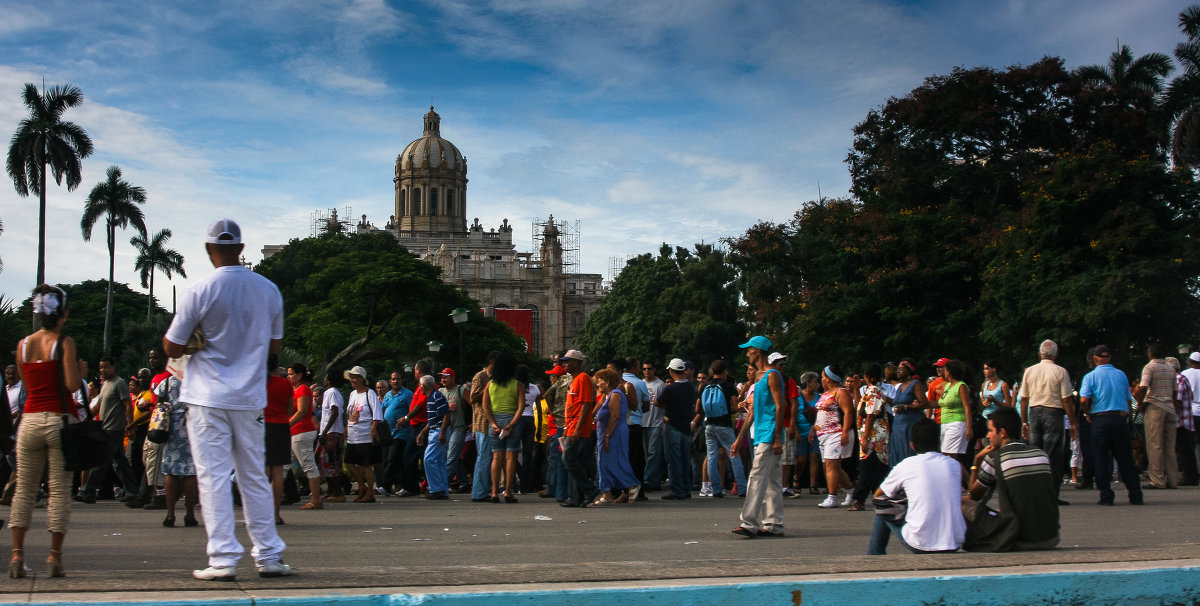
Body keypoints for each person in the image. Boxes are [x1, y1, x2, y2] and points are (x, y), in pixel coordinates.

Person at [162, 218, 290, 580]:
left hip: (205, 397)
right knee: (253, 476)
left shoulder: (198, 291)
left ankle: (223, 559)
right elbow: (275, 347)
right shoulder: (268, 290)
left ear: (208, 250)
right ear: (242, 249)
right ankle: (268, 556)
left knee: (213, 477)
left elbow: (171, 345)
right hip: (249, 397)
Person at [10, 285, 79, 578]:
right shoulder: (64, 343)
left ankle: (17, 555)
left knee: (24, 490)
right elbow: (72, 385)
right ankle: (54, 557)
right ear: (62, 314)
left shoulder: (23, 346)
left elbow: (28, 383)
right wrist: (79, 368)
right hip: (58, 421)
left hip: (29, 422)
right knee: (59, 492)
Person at [964, 407, 1060, 550]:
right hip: (1050, 537)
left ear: (1002, 432)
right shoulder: (1041, 454)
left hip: (1018, 538)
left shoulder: (995, 458)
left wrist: (977, 461)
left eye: (990, 430)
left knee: (961, 502)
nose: (988, 436)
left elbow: (973, 496)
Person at [867, 417, 965, 555]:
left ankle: (874, 556)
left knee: (882, 505)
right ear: (939, 442)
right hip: (953, 542)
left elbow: (879, 495)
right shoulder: (953, 464)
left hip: (921, 543)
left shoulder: (907, 464)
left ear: (912, 445)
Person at [731, 336, 786, 538]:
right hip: (762, 432)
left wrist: (778, 437)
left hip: (770, 433)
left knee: (756, 477)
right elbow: (753, 410)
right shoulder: (759, 377)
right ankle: (774, 523)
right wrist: (739, 438)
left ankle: (749, 522)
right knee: (772, 480)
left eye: (749, 349)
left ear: (758, 351)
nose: (747, 353)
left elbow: (781, 406)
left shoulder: (772, 375)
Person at [1078, 345, 1144, 505]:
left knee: (1100, 458)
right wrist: (1129, 421)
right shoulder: (1121, 375)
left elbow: (1083, 400)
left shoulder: (1090, 377)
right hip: (1119, 419)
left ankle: (1106, 496)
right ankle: (1135, 495)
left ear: (1095, 358)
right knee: (1125, 458)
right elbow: (1128, 400)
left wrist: (1087, 414)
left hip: (1100, 420)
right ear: (1110, 357)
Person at [1018, 339, 1076, 503]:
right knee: (1053, 456)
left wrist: (1024, 422)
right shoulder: (1060, 371)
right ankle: (1051, 495)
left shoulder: (1029, 371)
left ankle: (1035, 494)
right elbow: (1066, 399)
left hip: (1034, 412)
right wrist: (1073, 422)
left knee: (1035, 455)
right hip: (1053, 412)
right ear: (1056, 354)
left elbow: (1024, 399)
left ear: (1039, 354)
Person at [77, 357, 139, 504]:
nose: (102, 370)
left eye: (105, 367)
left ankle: (87, 491)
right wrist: (85, 421)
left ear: (113, 367)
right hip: (105, 427)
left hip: (114, 428)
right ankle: (132, 492)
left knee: (102, 460)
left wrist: (130, 424)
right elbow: (98, 406)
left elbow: (128, 405)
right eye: (100, 367)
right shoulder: (105, 385)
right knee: (120, 463)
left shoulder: (120, 383)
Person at [150, 345, 197, 528]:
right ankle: (190, 514)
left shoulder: (167, 382)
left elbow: (158, 403)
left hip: (171, 430)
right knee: (190, 472)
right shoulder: (196, 382)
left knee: (170, 471)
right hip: (190, 426)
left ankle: (170, 514)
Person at [696, 360, 745, 499]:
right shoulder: (729, 386)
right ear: (724, 372)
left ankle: (716, 489)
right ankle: (742, 488)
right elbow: (735, 407)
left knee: (711, 457)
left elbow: (697, 408)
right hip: (724, 425)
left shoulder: (705, 386)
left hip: (709, 425)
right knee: (734, 455)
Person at [591, 368, 641, 505]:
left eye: (599, 382)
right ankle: (607, 493)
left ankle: (631, 484)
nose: (597, 384)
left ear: (607, 382)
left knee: (615, 461)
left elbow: (614, 417)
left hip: (615, 433)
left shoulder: (615, 395)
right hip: (606, 433)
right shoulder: (606, 395)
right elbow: (596, 409)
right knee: (604, 463)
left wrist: (607, 436)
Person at [1133, 344, 1179, 490]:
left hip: (1155, 407)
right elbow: (1175, 393)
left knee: (1155, 444)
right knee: (1169, 446)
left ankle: (1157, 480)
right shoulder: (1171, 368)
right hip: (1170, 407)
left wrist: (1140, 403)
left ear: (1150, 353)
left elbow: (1143, 387)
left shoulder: (1149, 367)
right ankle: (1173, 480)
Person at [482, 352, 525, 503]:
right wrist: (511, 424)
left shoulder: (490, 385)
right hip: (512, 420)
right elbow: (521, 406)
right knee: (510, 457)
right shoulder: (517, 385)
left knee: (496, 457)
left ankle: (494, 492)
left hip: (494, 421)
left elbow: (485, 406)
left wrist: (493, 423)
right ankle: (508, 491)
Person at [811, 364, 855, 508]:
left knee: (831, 465)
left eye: (823, 377)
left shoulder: (840, 392)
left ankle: (832, 497)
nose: (822, 380)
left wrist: (844, 431)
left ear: (829, 378)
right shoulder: (825, 393)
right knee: (832, 466)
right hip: (822, 435)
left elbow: (848, 412)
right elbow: (820, 414)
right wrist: (813, 429)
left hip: (835, 433)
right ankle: (851, 491)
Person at [848, 364, 891, 511]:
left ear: (870, 377)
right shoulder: (870, 391)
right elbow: (860, 405)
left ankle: (859, 499)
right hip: (873, 434)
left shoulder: (874, 392)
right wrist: (856, 388)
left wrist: (866, 438)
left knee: (867, 467)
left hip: (874, 436)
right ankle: (881, 496)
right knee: (878, 468)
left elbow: (871, 415)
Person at [559, 350, 598, 508]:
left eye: (568, 361)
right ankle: (575, 497)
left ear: (577, 363)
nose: (564, 364)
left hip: (578, 428)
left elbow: (586, 404)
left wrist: (576, 429)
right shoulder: (574, 380)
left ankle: (590, 489)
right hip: (571, 427)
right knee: (576, 462)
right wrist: (567, 428)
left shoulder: (583, 379)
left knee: (568, 459)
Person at [343, 366, 383, 503]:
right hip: (353, 434)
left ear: (361, 379)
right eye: (351, 377)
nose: (352, 380)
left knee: (365, 464)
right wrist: (346, 427)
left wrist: (373, 428)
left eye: (354, 377)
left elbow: (377, 413)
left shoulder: (369, 393)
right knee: (350, 463)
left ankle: (370, 492)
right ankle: (361, 487)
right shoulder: (353, 394)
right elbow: (350, 413)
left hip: (365, 434)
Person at [658, 358, 696, 500]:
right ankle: (686, 489)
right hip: (685, 426)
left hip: (672, 425)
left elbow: (658, 401)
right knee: (685, 460)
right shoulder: (690, 387)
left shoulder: (671, 388)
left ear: (671, 371)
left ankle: (677, 489)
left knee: (674, 460)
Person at [287, 363, 322, 510]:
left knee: (308, 465)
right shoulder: (295, 390)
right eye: (288, 374)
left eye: (291, 374)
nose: (288, 377)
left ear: (300, 375)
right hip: (295, 432)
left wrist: (285, 425)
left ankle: (315, 500)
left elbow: (301, 412)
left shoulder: (303, 389)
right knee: (283, 465)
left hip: (302, 431)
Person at [264, 355, 293, 525]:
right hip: (281, 426)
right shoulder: (285, 383)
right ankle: (275, 513)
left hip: (263, 427)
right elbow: (290, 409)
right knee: (278, 473)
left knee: (263, 473)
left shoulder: (259, 382)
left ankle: (260, 513)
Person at [468, 352, 498, 502]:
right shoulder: (480, 376)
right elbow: (472, 398)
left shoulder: (498, 378)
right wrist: (487, 388)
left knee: (491, 457)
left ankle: (485, 490)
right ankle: (479, 493)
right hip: (482, 422)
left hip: (495, 421)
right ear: (492, 362)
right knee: (484, 457)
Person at [889, 360, 928, 467]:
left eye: (901, 369)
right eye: (897, 370)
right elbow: (896, 402)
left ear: (909, 370)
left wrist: (906, 407)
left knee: (908, 451)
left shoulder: (916, 384)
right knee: (897, 452)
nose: (898, 372)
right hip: (898, 425)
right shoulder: (900, 386)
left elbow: (924, 403)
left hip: (910, 423)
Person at [419, 375, 451, 500]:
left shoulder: (436, 396)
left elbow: (446, 415)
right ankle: (442, 490)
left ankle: (436, 489)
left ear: (424, 385)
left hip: (438, 431)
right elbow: (433, 419)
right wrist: (422, 432)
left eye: (420, 385)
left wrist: (442, 432)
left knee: (429, 459)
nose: (419, 388)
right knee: (439, 461)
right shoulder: (432, 397)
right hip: (436, 429)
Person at [380, 371, 412, 495]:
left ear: (401, 380)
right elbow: (383, 410)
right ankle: (405, 486)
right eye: (393, 379)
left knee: (392, 458)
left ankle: (385, 486)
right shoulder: (387, 395)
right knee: (397, 460)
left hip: (401, 432)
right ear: (390, 381)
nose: (395, 381)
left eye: (398, 379)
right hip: (388, 433)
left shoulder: (407, 394)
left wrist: (406, 420)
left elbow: (412, 411)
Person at [317, 374, 347, 502]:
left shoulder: (331, 392)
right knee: (327, 463)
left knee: (331, 463)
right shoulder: (334, 393)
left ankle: (337, 491)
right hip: (332, 432)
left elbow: (334, 411)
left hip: (331, 433)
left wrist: (325, 431)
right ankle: (331, 490)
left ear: (328, 381)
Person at [937, 359, 974, 462]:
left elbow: (967, 406)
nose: (944, 372)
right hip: (945, 422)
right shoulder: (947, 386)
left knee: (948, 456)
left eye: (945, 369)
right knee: (946, 456)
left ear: (949, 371)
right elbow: (940, 402)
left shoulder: (961, 386)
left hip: (956, 422)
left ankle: (968, 478)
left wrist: (969, 427)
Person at [641, 360, 666, 492]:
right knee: (646, 453)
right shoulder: (641, 383)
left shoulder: (660, 385)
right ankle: (652, 479)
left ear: (654, 370)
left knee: (653, 453)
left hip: (656, 422)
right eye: (644, 369)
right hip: (642, 422)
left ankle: (649, 480)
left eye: (649, 369)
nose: (646, 371)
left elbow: (666, 404)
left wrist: (658, 404)